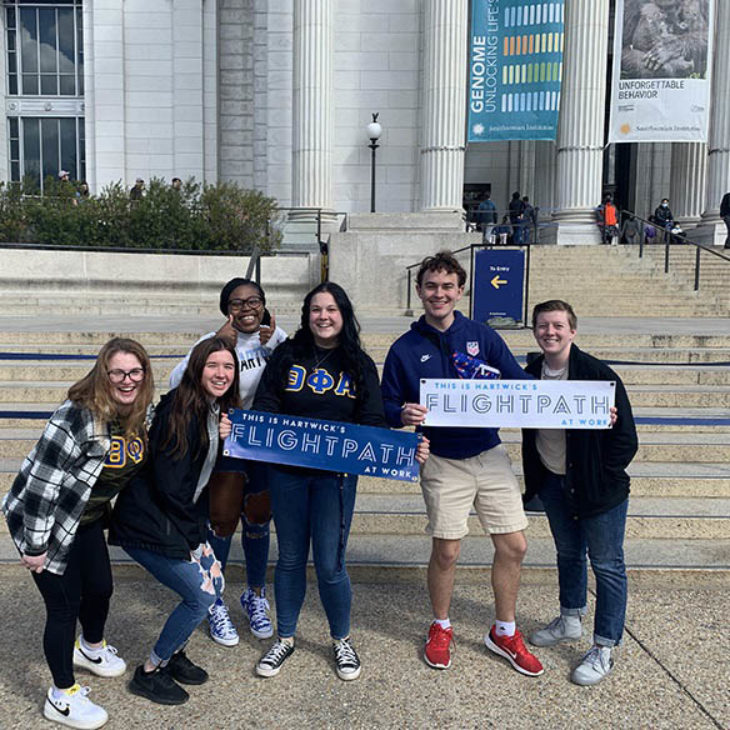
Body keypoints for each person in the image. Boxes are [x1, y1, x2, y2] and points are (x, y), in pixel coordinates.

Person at [252, 282, 428, 681]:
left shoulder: (358, 363)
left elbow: (370, 421)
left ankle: (341, 638)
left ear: (343, 315)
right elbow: (265, 405)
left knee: (331, 563)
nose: (323, 317)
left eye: (331, 309)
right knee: (291, 557)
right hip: (288, 473)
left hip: (335, 477)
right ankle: (285, 636)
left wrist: (405, 448)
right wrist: (243, 430)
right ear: (306, 315)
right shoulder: (287, 354)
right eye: (316, 310)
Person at [381, 251, 543, 677]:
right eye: (431, 286)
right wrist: (401, 415)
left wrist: (581, 404)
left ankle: (504, 630)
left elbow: (519, 384)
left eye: (447, 286)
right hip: (440, 459)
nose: (439, 294)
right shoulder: (404, 347)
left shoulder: (482, 335)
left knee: (515, 545)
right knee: (448, 551)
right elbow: (384, 405)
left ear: (460, 290)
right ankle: (441, 625)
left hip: (489, 453)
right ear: (419, 291)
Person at [2, 338, 154, 730]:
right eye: (117, 372)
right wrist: (36, 547)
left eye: (135, 372)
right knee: (63, 607)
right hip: (46, 522)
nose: (126, 380)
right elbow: (40, 487)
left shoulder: (140, 412)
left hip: (85, 519)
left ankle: (90, 648)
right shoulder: (77, 416)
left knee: (101, 587)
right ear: (102, 374)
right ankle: (61, 696)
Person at [110, 337, 241, 705]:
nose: (221, 373)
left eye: (228, 366)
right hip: (148, 523)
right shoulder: (179, 413)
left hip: (175, 517)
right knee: (199, 598)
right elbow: (170, 487)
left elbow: (198, 480)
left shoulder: (213, 410)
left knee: (214, 585)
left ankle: (174, 653)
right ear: (197, 369)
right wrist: (197, 539)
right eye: (212, 365)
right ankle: (150, 671)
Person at [522, 300, 638, 686]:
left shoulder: (598, 376)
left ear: (573, 331)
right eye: (542, 326)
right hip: (553, 483)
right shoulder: (529, 375)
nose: (549, 332)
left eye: (557, 325)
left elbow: (626, 442)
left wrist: (598, 472)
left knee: (606, 564)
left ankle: (604, 646)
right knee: (569, 553)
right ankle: (570, 619)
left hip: (598, 490)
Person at [168, 277, 287, 647]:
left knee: (258, 520)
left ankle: (254, 594)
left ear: (265, 305)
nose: (247, 308)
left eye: (255, 301)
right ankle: (214, 597)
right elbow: (175, 383)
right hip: (227, 444)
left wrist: (279, 346)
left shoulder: (278, 339)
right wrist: (213, 345)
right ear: (226, 309)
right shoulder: (215, 340)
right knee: (221, 523)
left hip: (266, 445)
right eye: (237, 303)